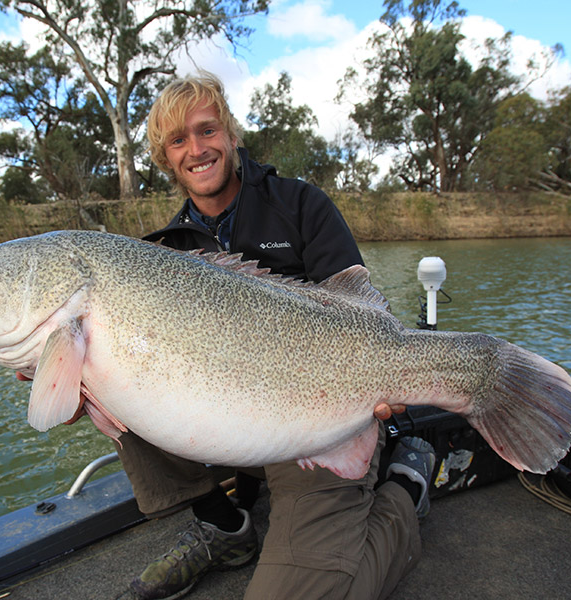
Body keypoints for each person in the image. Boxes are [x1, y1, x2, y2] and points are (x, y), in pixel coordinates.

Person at [118, 72, 436, 600]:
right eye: (178, 140)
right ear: (165, 156)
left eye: (207, 130)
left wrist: (384, 379)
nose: (196, 149)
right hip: (223, 428)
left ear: (232, 135)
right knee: (103, 374)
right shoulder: (163, 253)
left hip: (315, 425)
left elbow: (363, 314)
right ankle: (224, 526)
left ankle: (403, 487)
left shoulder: (301, 205)